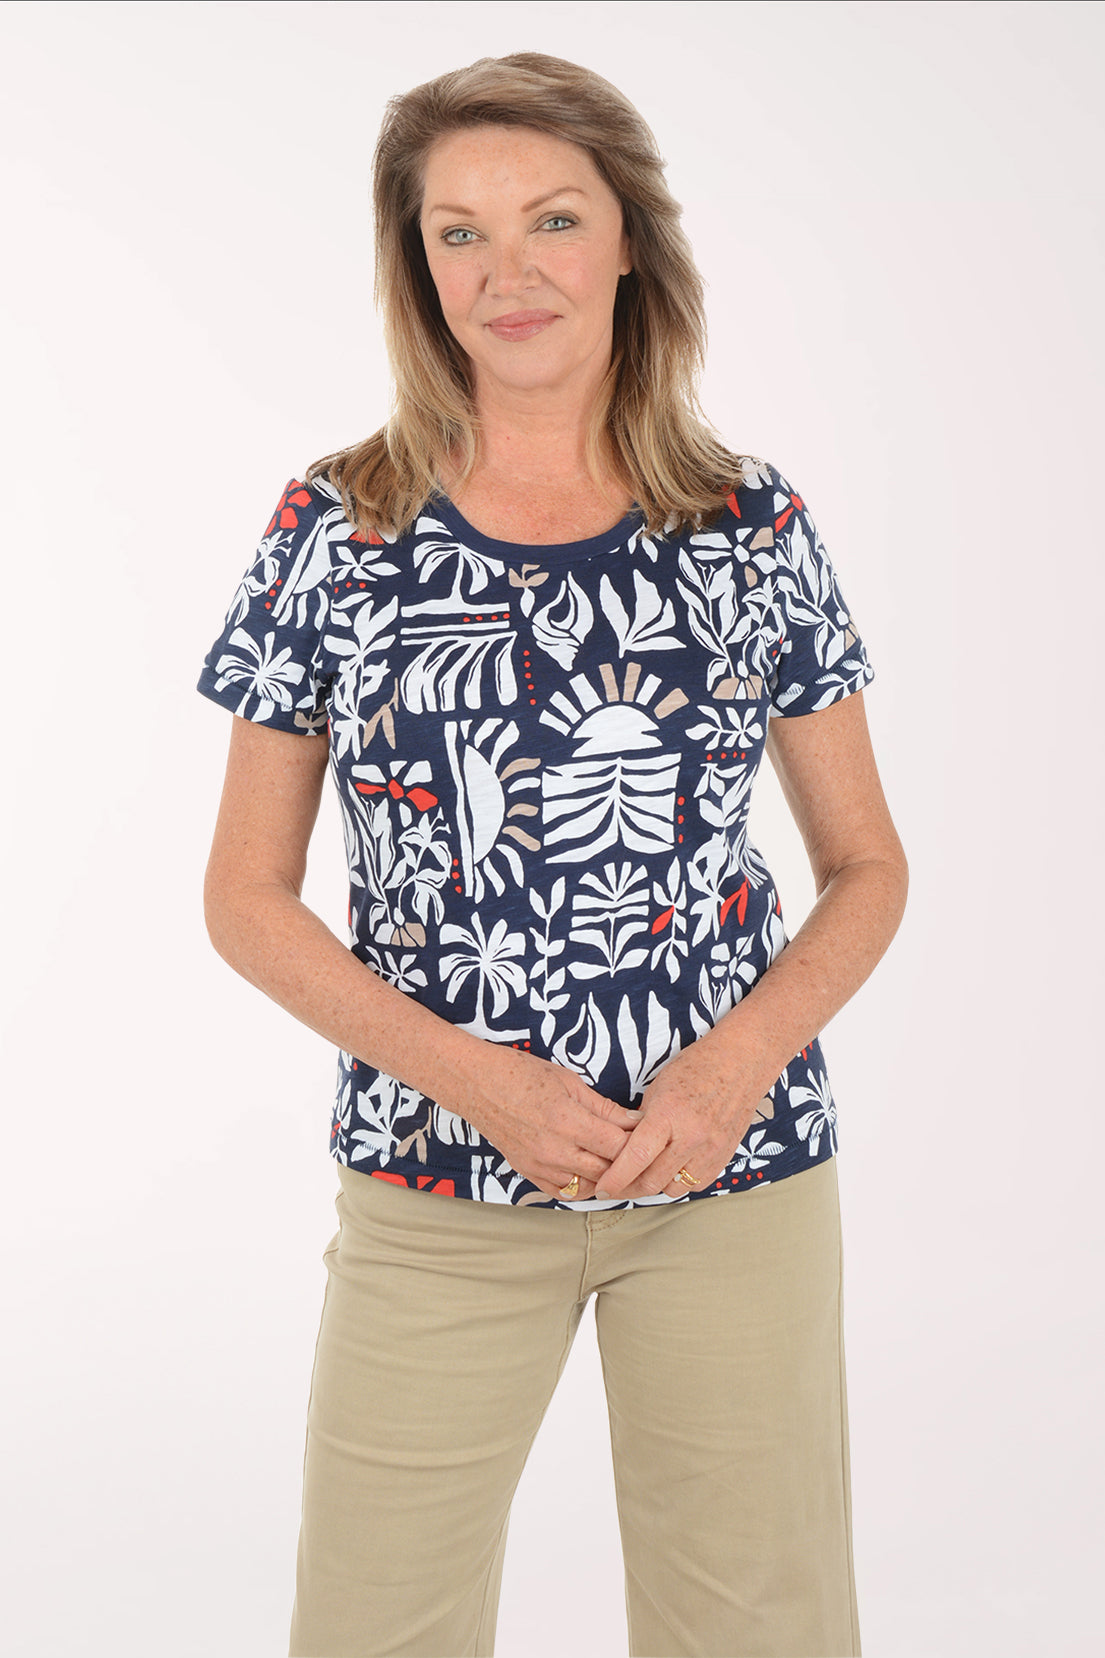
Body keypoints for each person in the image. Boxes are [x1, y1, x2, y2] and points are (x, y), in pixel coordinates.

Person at [198, 51, 907, 1658]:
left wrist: (727, 1072)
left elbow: (867, 865)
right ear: (416, 266)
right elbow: (243, 894)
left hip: (728, 1173)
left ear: (628, 241)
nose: (505, 271)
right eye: (457, 232)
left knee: (763, 1630)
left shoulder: (748, 525)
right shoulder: (336, 528)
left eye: (551, 220)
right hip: (437, 1177)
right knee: (372, 1625)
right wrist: (484, 1083)